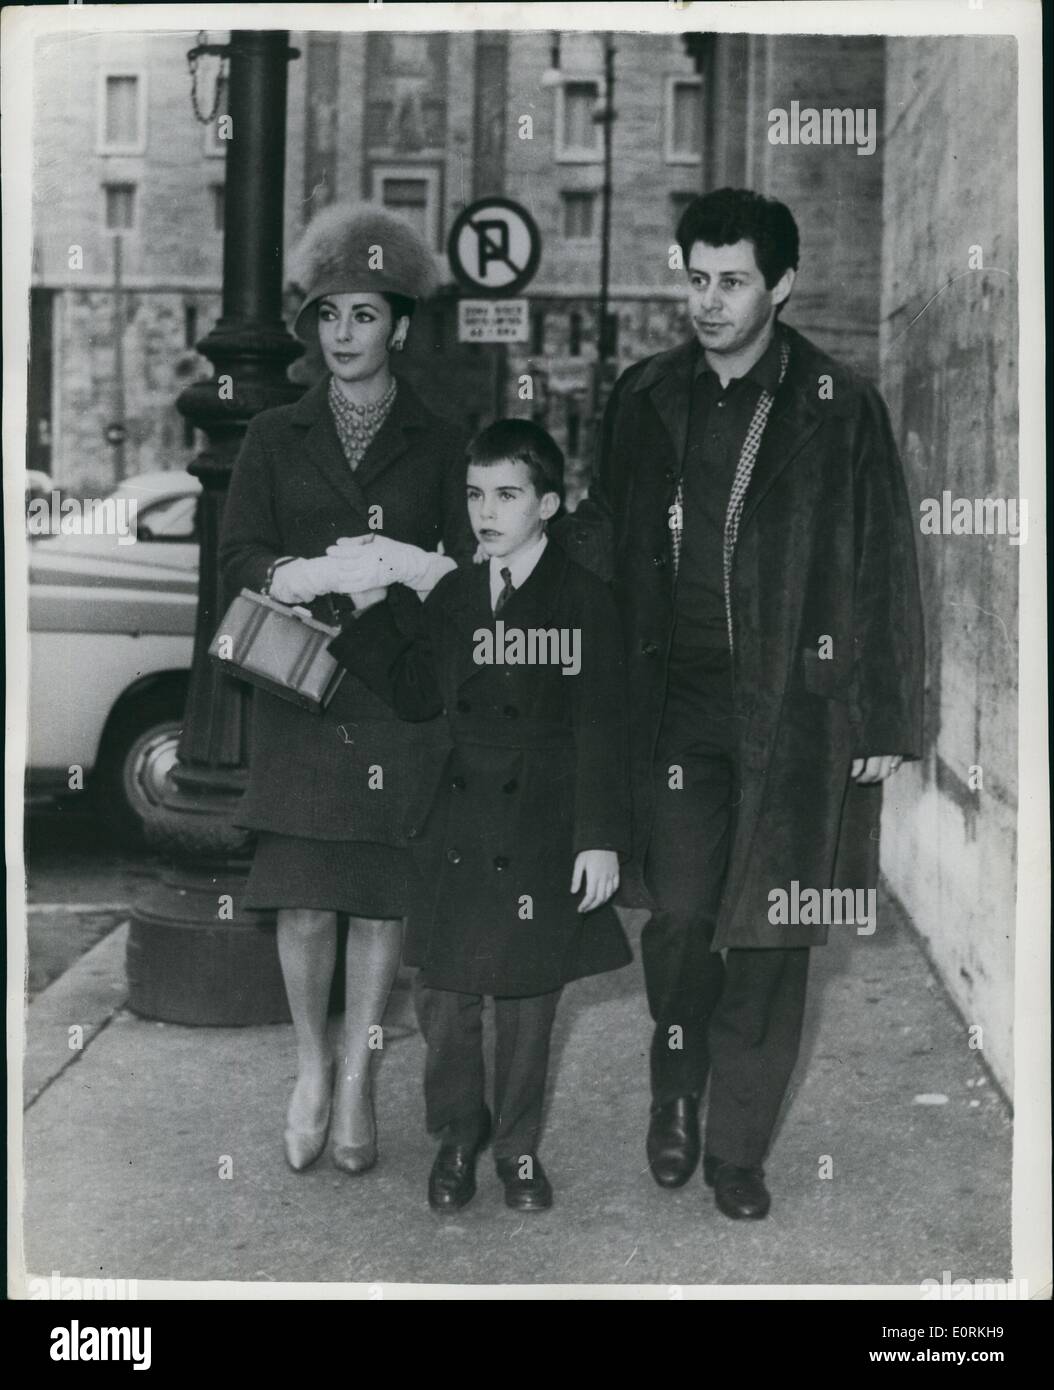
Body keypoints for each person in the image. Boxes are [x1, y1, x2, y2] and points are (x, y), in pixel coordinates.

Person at [562, 188, 924, 1219]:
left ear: (781, 285)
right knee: (678, 919)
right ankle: (674, 1090)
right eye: (695, 279)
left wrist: (886, 717)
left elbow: (884, 559)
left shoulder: (836, 404)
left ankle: (737, 1147)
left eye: (729, 282)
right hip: (673, 703)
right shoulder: (644, 396)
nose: (707, 302)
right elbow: (606, 531)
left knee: (769, 930)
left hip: (791, 710)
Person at [219, 204, 475, 1176]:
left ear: (399, 326)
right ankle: (311, 1068)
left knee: (375, 901)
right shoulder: (274, 436)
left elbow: (465, 565)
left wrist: (405, 568)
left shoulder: (443, 436)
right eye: (328, 316)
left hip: (392, 698)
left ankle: (363, 1074)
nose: (344, 334)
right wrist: (302, 572)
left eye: (364, 315)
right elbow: (237, 551)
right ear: (310, 328)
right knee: (305, 901)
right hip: (301, 692)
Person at [329, 419, 632, 1212]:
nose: (486, 512)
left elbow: (603, 725)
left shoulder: (585, 600)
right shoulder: (458, 595)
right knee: (446, 999)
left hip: (540, 820)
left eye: (507, 495)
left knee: (529, 1000)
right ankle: (458, 1135)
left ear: (550, 505)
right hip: (458, 822)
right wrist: (367, 610)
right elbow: (419, 691)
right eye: (474, 494)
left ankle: (518, 1151)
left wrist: (599, 838)